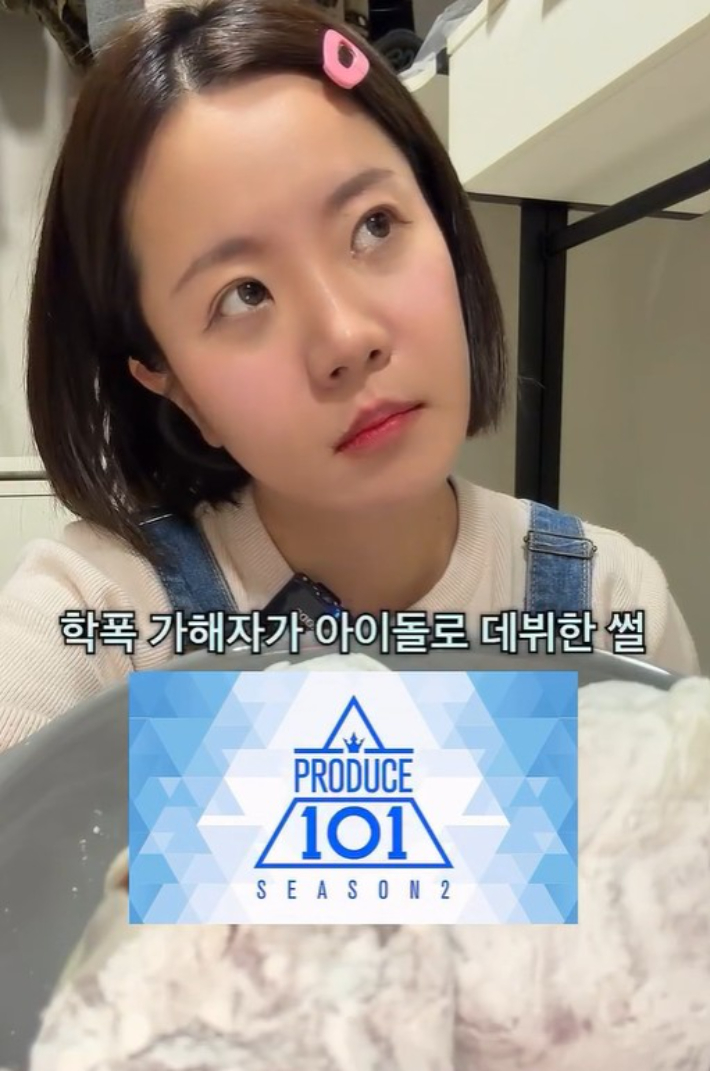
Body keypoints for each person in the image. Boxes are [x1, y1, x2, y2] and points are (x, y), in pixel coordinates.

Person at [0, 0, 698, 753]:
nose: (346, 338)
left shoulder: (607, 606)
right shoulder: (100, 623)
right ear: (176, 387)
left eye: (374, 225)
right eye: (244, 294)